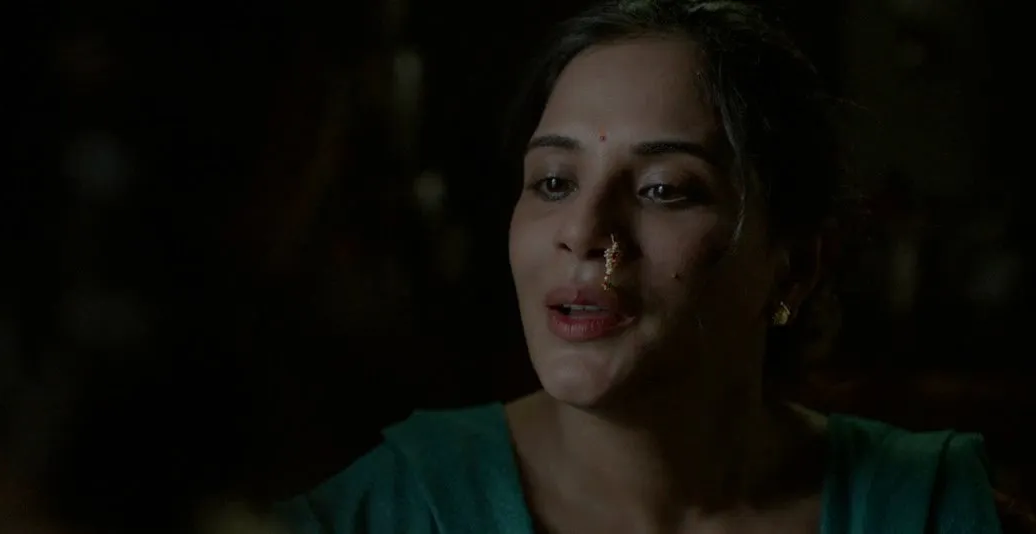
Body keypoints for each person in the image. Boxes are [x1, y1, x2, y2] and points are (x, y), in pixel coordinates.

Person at [274, 1, 1013, 532]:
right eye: (553, 182)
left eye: (663, 190)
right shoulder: (392, 509)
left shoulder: (929, 510)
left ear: (792, 268)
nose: (584, 232)